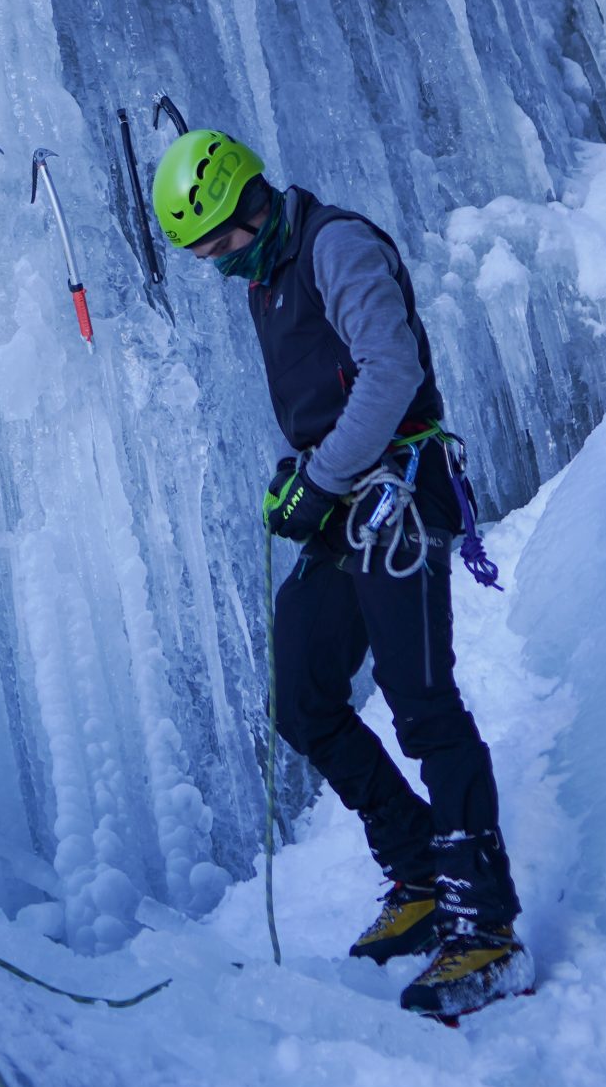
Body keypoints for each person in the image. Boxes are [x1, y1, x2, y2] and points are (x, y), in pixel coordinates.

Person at [152, 127, 533, 1021]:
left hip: (400, 495)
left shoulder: (336, 245)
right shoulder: (269, 275)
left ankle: (489, 928)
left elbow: (390, 371)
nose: (219, 267)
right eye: (203, 255)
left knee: (422, 703)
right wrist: (304, 475)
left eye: (220, 245)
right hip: (345, 504)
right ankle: (423, 871)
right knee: (304, 697)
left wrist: (319, 480)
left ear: (250, 206)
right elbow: (322, 400)